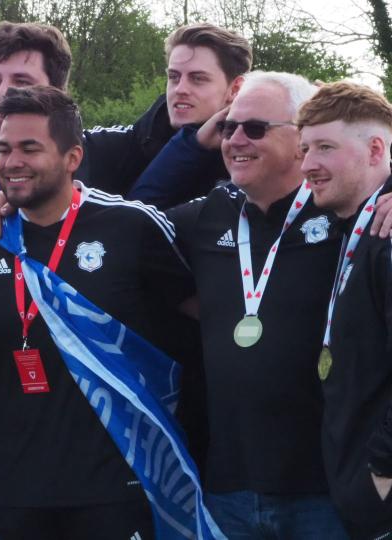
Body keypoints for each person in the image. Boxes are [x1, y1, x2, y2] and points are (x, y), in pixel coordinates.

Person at [0, 84, 199, 539]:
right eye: (4, 149)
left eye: (30, 148)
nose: (12, 161)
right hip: (14, 484)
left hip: (115, 482)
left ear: (73, 157)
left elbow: (198, 329)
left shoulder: (132, 226)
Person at [159, 72, 348, 537]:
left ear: (302, 137)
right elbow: (127, 214)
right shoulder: (207, 215)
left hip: (326, 489)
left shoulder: (346, 207)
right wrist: (6, 197)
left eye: (255, 129)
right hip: (229, 487)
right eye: (228, 127)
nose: (236, 139)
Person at [0, 21, 250, 210]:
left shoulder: (102, 153)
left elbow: (159, 148)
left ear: (57, 95)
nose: (3, 94)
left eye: (21, 81)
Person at [297, 81, 392, 539]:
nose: (308, 164)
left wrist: (383, 468)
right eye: (305, 149)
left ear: (376, 149)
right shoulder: (353, 225)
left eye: (325, 147)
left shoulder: (388, 236)